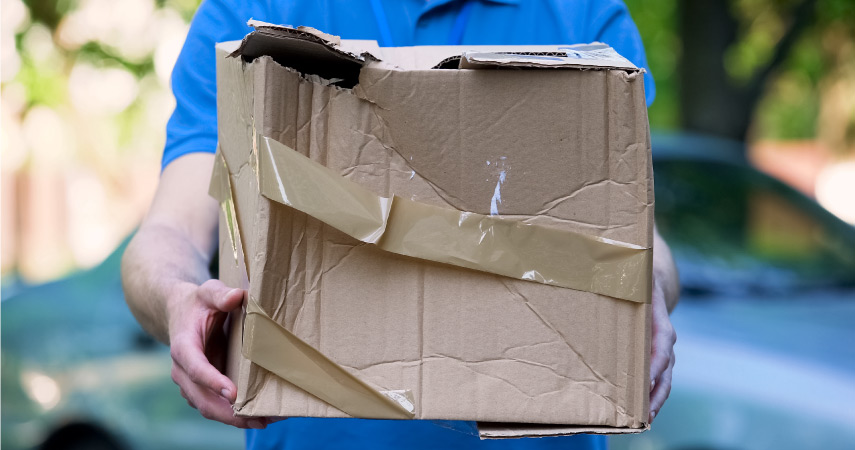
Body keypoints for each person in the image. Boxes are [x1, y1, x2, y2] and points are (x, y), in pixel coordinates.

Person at [121, 0, 680, 448]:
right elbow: (170, 232)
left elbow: (639, 243)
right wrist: (177, 299)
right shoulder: (251, 12)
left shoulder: (582, 16)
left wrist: (644, 288)